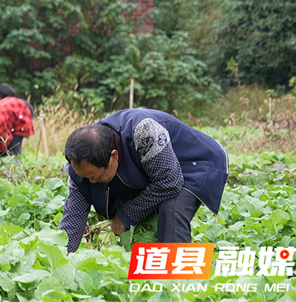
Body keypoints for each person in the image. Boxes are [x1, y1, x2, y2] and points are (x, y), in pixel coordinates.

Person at [58, 108, 229, 253]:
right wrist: (60, 256)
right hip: (156, 170)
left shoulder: (143, 131)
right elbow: (74, 217)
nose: (92, 182)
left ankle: (177, 280)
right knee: (145, 220)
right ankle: (151, 275)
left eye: (96, 176)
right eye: (86, 177)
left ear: (114, 157)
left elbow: (170, 181)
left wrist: (125, 216)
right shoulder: (80, 165)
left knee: (171, 208)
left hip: (196, 162)